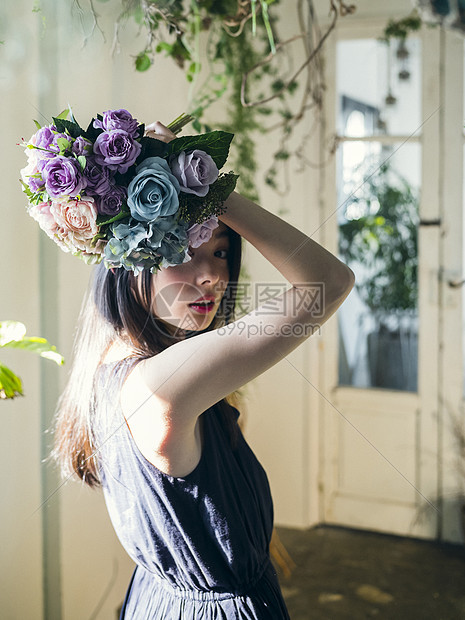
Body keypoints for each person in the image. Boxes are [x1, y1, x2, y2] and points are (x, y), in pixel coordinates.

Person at [51, 120, 355, 619]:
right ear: (127, 260)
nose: (212, 274)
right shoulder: (158, 391)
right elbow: (328, 280)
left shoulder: (115, 368)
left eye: (219, 251)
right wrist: (207, 188)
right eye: (184, 250)